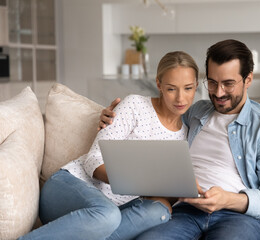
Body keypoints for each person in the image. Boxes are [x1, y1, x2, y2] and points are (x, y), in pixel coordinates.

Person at [99, 39, 260, 240]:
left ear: (248, 80)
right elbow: (158, 117)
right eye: (212, 82)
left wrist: (228, 200)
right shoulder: (196, 111)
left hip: (238, 217)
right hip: (185, 211)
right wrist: (110, 116)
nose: (218, 93)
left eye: (228, 84)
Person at [18, 51, 199, 240]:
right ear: (159, 85)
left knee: (159, 212)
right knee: (107, 215)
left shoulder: (186, 135)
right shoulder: (135, 106)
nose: (180, 98)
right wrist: (136, 182)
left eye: (188, 88)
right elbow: (93, 161)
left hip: (115, 211)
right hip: (70, 187)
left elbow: (165, 194)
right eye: (172, 89)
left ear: (196, 87)